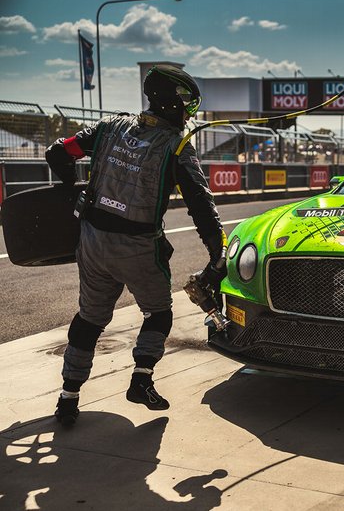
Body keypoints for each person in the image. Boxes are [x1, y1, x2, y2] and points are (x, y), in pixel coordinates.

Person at [45, 65, 227, 425]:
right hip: (138, 246)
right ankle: (141, 380)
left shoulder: (110, 125)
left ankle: (68, 398)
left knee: (90, 319)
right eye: (187, 102)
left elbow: (57, 153)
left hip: (93, 241)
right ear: (170, 100)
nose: (189, 110)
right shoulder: (177, 146)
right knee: (158, 313)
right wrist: (217, 253)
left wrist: (73, 192)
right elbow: (202, 206)